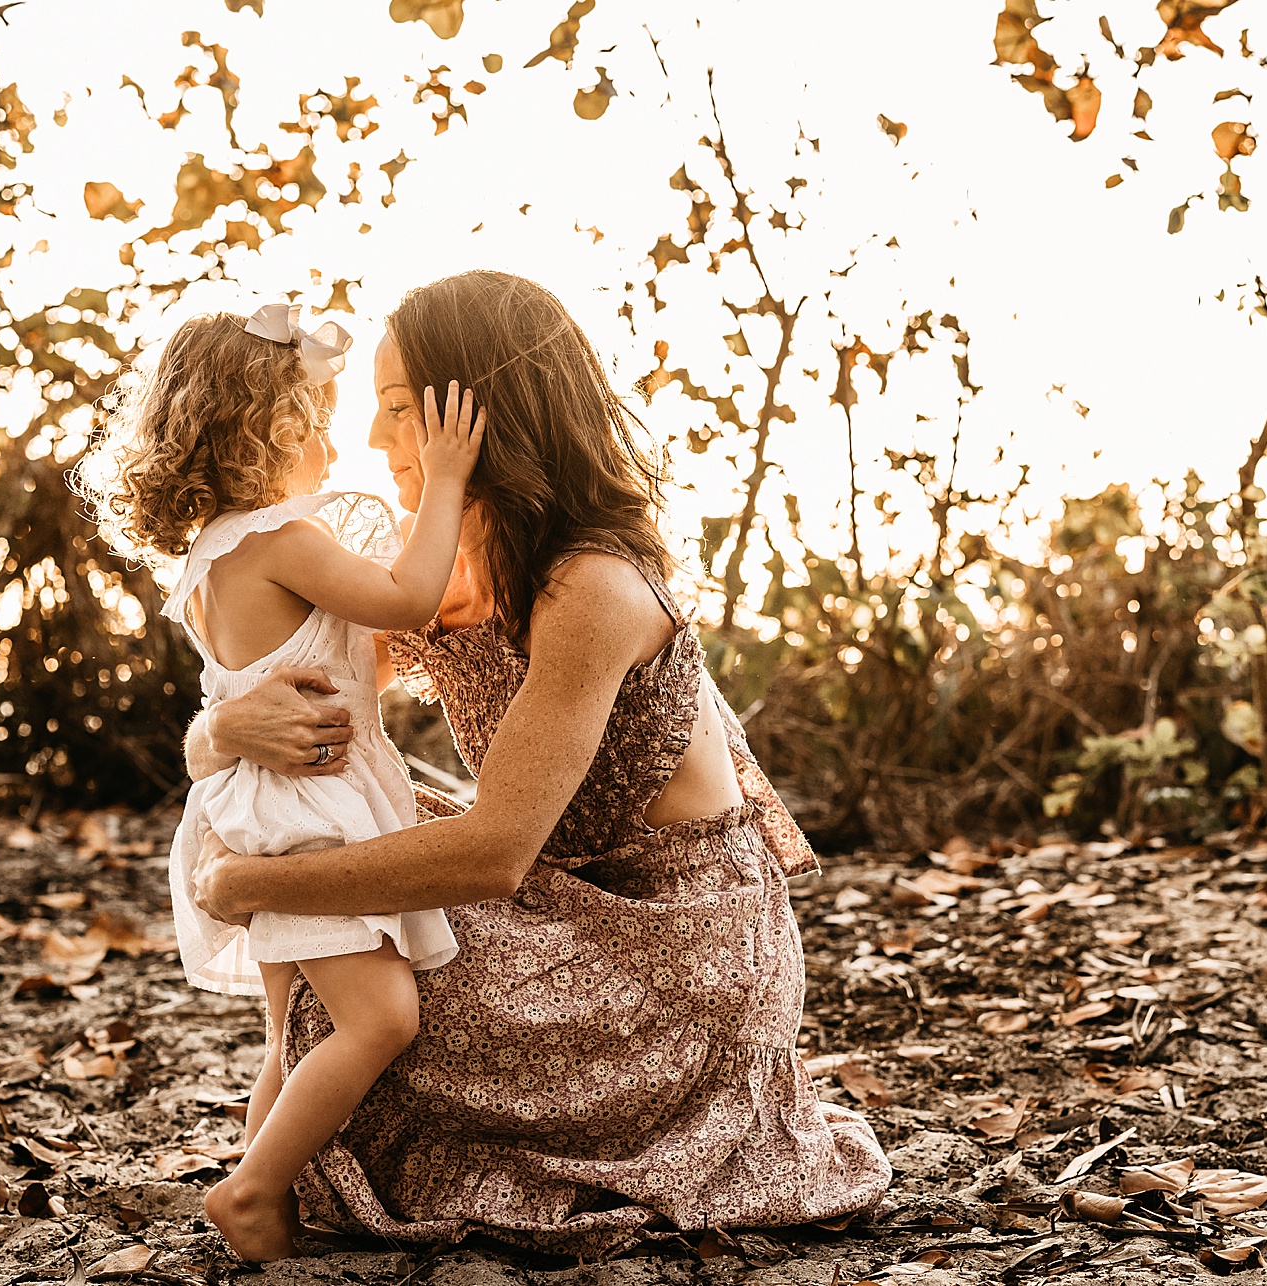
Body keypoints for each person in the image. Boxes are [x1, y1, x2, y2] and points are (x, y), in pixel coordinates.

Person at [185, 272, 891, 1257]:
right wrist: (222, 736)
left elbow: (492, 854)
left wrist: (252, 881)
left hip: (677, 944)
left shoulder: (591, 585)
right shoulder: (446, 564)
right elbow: (294, 683)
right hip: (556, 893)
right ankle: (278, 1159)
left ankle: (287, 1162)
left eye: (397, 413)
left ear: (472, 421)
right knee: (326, 838)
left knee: (357, 928)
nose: (375, 443)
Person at [79, 303, 485, 1261]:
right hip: (308, 817)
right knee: (383, 1016)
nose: (339, 441)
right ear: (271, 429)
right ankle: (254, 1187)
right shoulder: (281, 540)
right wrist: (449, 485)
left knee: (292, 1036)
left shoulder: (214, 555)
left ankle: (265, 1191)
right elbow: (406, 599)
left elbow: (350, 659)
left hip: (259, 809)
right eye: (322, 416)